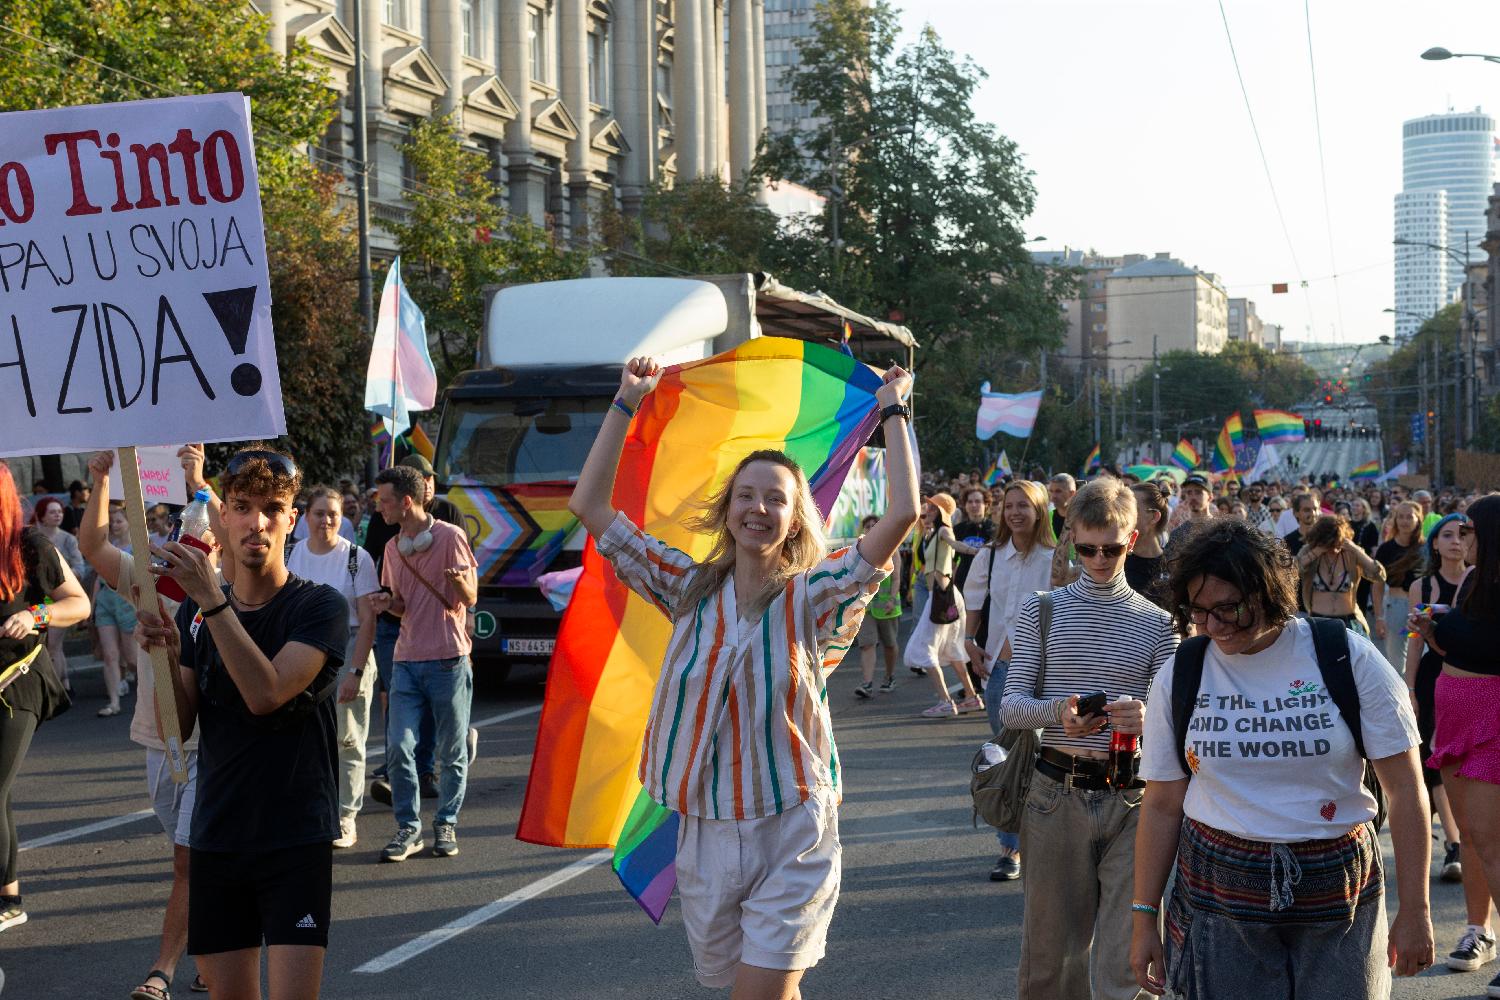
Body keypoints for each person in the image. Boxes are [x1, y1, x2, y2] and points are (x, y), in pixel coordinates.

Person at [569, 355, 918, 997]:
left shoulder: (815, 594)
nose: (758, 508)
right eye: (746, 495)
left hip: (793, 824)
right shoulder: (685, 586)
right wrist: (627, 400)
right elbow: (588, 504)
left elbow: (901, 516)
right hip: (704, 829)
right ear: (728, 508)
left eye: (775, 499)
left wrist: (895, 408)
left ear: (795, 517)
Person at [1129, 518, 1433, 999]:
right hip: (1219, 895)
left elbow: (1406, 790)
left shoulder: (1344, 655)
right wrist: (1145, 916)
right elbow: (1163, 803)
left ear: (1268, 593)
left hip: (1340, 893)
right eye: (1197, 610)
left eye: (1229, 608)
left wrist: (1416, 909)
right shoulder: (1183, 670)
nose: (1213, 626)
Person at [139, 447, 348, 999]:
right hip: (217, 837)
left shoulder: (319, 607)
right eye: (242, 506)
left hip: (294, 838)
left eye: (273, 508)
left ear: (291, 520)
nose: (257, 521)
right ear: (223, 516)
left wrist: (211, 600)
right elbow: (177, 727)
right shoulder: (197, 615)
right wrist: (161, 656)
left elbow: (267, 694)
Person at [1001, 477, 1179, 1000]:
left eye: (1111, 547)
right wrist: (1061, 712)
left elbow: (1180, 717)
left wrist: (1145, 715)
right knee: (1051, 959)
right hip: (1056, 793)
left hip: (1133, 800)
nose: (1099, 559)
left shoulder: (1160, 622)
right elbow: (1012, 709)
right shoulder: (1044, 608)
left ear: (1135, 536)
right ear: (1070, 538)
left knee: (1132, 959)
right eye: (1086, 549)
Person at [78, 450, 210, 999]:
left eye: (202, 544)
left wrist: (200, 483)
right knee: (198, 860)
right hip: (160, 742)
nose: (189, 552)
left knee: (188, 858)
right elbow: (92, 548)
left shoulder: (231, 589)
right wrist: (103, 478)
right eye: (181, 542)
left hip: (214, 745)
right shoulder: (145, 582)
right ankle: (218, 944)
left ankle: (163, 969)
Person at [1410, 495, 1500, 995]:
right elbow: (1455, 647)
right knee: (1469, 836)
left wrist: (1444, 628)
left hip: (1492, 711)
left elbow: (1486, 647)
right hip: (1455, 707)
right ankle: (1478, 930)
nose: (1461, 536)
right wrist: (1434, 632)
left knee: (1490, 839)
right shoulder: (1471, 579)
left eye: (1468, 528)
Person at [371, 464, 478, 862]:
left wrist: (459, 582)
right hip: (406, 661)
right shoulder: (393, 548)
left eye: (384, 501)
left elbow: (470, 597)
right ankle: (408, 828)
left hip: (448, 660)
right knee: (399, 747)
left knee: (451, 752)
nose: (379, 508)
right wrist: (387, 604)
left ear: (407, 501)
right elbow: (402, 605)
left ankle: (446, 822)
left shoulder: (450, 537)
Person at [0, 465, 90, 934]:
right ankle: (9, 897)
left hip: (20, 683)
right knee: (2, 793)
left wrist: (36, 613)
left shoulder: (29, 546)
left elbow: (79, 604)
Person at [962, 478, 1055, 882]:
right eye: (1010, 506)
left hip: (1048, 673)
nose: (1016, 512)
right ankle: (1010, 847)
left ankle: (1049, 843)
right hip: (1001, 669)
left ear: (1040, 511)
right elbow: (974, 603)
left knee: (1048, 758)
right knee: (1006, 759)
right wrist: (969, 641)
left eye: (1025, 506)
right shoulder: (990, 555)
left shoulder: (1056, 558)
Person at [287, 487, 381, 851]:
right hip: (301, 653)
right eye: (319, 513)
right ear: (305, 516)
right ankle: (311, 811)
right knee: (304, 738)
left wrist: (356, 672)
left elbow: (368, 620)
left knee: (347, 739)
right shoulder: (291, 554)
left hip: (347, 652)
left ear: (342, 518)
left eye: (333, 514)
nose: (326, 520)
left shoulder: (357, 558)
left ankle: (345, 815)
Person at [1405, 514, 1480, 892]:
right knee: (1438, 760)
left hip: (1470, 676)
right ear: (1434, 544)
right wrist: (1411, 690)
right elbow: (1415, 641)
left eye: (1462, 535)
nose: (1455, 541)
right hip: (1434, 676)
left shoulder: (1478, 582)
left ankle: (1468, 836)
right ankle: (1453, 844)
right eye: (1447, 535)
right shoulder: (1423, 585)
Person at [905, 493, 983, 718]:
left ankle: (946, 701)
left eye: (932, 506)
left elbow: (957, 544)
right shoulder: (930, 532)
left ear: (942, 511)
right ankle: (971, 696)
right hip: (941, 596)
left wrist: (977, 551)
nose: (927, 509)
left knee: (922, 648)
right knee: (950, 648)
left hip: (942, 596)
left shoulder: (943, 530)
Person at [28, 496, 86, 697]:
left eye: (59, 511)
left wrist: (62, 577)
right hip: (35, 600)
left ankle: (55, 690)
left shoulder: (68, 539)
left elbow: (81, 567)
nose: (57, 515)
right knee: (46, 644)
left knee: (53, 643)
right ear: (41, 516)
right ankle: (64, 682)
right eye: (52, 512)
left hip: (60, 600)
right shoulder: (31, 538)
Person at [1295, 514, 1386, 636]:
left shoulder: (1351, 553)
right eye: (1329, 544)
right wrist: (1315, 552)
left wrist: (1355, 549)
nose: (1334, 549)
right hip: (1318, 621)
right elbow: (1289, 573)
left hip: (1350, 621)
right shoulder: (1309, 551)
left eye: (1337, 543)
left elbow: (1378, 575)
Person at [91, 504, 141, 716]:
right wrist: (92, 606)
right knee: (110, 655)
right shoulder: (105, 545)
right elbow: (97, 578)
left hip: (127, 600)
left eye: (119, 521)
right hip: (105, 600)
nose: (115, 525)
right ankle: (114, 703)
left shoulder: (138, 547)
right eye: (111, 523)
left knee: (132, 659)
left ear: (129, 522)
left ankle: (151, 695)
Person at [852, 515, 901, 699]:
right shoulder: (857, 551)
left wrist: (892, 599)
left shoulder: (892, 548)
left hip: (887, 606)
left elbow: (896, 578)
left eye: (875, 525)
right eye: (868, 526)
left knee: (890, 644)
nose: (871, 528)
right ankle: (867, 683)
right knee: (867, 644)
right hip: (866, 606)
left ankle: (889, 676)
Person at [1376, 501, 1425, 670]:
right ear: (1395, 520)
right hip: (1396, 607)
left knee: (1420, 653)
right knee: (1397, 659)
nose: (1405, 521)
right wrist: (1379, 617)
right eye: (1401, 517)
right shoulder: (1386, 549)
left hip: (1421, 609)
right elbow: (1378, 585)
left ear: (1418, 519)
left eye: (1409, 517)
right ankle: (1402, 694)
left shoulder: (1426, 549)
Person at [1125, 481, 1170, 605]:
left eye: (1130, 509)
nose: (1122, 515)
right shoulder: (1113, 561)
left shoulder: (1173, 566)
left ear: (1154, 517)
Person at [1282, 490, 1319, 559]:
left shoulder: (1326, 538)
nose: (1313, 513)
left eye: (1315, 509)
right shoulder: (1288, 541)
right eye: (1307, 510)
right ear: (1295, 513)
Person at [1048, 473, 1076, 540]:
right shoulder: (1048, 517)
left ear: (1072, 493)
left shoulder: (1081, 517)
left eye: (1058, 491)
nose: (1053, 496)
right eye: (1051, 491)